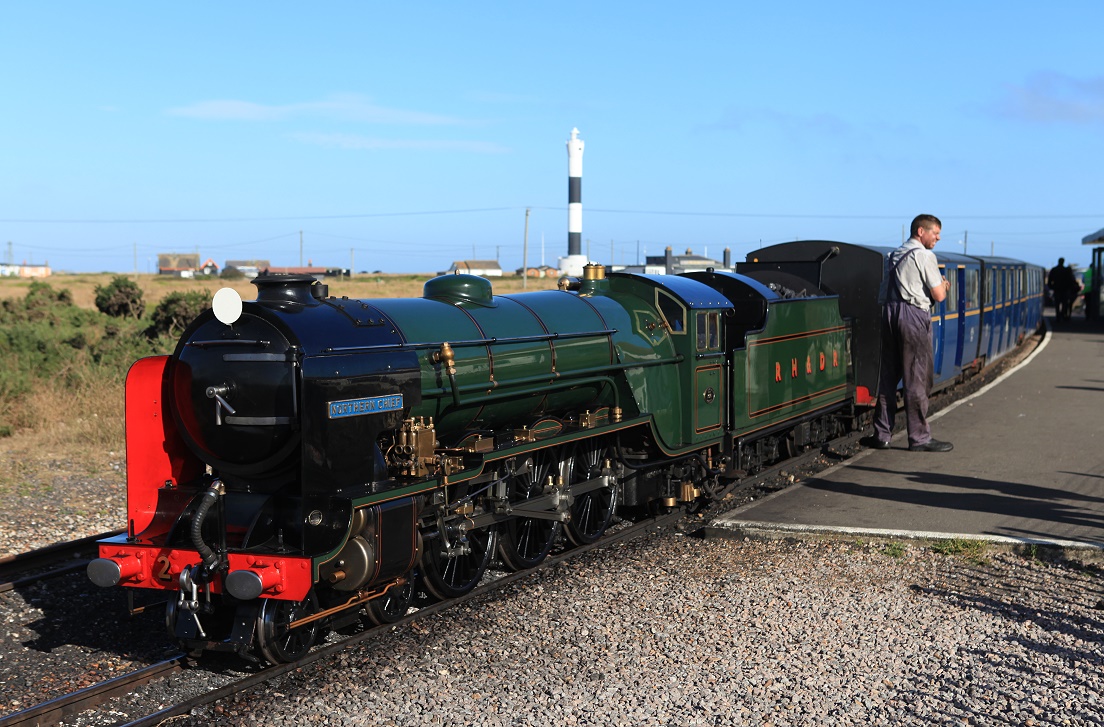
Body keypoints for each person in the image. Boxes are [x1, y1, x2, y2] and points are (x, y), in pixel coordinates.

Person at [869, 214, 953, 452]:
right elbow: (938, 296)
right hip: (913, 316)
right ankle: (919, 438)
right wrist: (944, 286)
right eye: (935, 232)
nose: (938, 237)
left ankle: (882, 434)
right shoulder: (924, 255)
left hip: (888, 313)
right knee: (916, 377)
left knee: (888, 377)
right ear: (920, 232)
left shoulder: (893, 256)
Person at [1047, 258, 1079, 322]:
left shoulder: (1054, 270)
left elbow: (1050, 280)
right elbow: (1070, 280)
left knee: (1057, 304)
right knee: (1065, 304)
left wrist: (1052, 287)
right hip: (1065, 290)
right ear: (1063, 262)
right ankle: (1062, 314)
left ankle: (1058, 316)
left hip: (1057, 289)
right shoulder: (1066, 270)